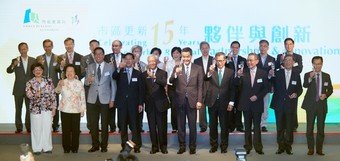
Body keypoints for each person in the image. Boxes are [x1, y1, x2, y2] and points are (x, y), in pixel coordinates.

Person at [169, 47, 203, 155]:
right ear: (181, 57)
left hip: (193, 101)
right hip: (180, 100)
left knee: (192, 126)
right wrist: (175, 74)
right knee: (180, 125)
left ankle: (192, 147)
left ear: (191, 56)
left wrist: (199, 100)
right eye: (184, 56)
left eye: (187, 56)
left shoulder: (198, 68)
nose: (186, 58)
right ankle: (182, 146)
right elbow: (170, 81)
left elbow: (200, 86)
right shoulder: (177, 67)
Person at [235, 53, 268, 155]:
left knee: (257, 127)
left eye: (251, 60)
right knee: (247, 127)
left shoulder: (263, 73)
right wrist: (238, 76)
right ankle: (248, 146)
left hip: (257, 104)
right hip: (246, 104)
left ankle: (258, 147)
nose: (249, 62)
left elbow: (266, 88)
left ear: (257, 61)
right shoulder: (242, 72)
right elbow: (236, 86)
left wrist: (257, 96)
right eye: (248, 60)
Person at [85, 47, 116, 153]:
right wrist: (88, 81)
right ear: (94, 55)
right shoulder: (90, 66)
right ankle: (95, 145)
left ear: (103, 55)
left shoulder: (110, 67)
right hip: (92, 99)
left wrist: (112, 99)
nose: (98, 56)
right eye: (96, 54)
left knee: (104, 124)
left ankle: (104, 146)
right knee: (93, 124)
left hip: (105, 99)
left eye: (100, 54)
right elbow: (85, 83)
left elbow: (113, 85)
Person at [270, 55, 302, 155]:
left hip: (290, 105)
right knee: (279, 127)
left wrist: (296, 94)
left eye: (290, 60)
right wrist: (270, 76)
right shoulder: (278, 73)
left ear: (293, 62)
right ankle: (280, 146)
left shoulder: (296, 74)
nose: (288, 62)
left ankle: (288, 146)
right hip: (278, 104)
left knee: (289, 127)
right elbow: (270, 83)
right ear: (283, 62)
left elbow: (299, 89)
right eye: (286, 60)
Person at [301, 56, 333, 156]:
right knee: (309, 129)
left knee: (321, 128)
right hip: (310, 105)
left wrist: (326, 95)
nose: (317, 66)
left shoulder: (326, 76)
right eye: (315, 64)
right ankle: (310, 149)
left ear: (322, 64)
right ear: (312, 64)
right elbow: (305, 85)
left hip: (321, 106)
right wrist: (310, 77)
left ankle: (319, 149)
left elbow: (330, 89)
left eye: (319, 63)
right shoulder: (308, 74)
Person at [204, 52, 235, 153]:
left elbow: (232, 88)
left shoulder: (230, 72)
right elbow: (205, 79)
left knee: (224, 126)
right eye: (217, 61)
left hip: (225, 103)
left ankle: (224, 146)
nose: (219, 63)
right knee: (212, 126)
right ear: (215, 61)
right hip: (212, 102)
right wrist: (209, 72)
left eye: (221, 60)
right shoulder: (212, 70)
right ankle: (213, 145)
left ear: (225, 61)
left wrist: (231, 102)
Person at [112, 53, 143, 153]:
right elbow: (114, 76)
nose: (128, 61)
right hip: (122, 104)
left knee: (135, 127)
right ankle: (125, 147)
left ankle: (136, 146)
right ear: (124, 61)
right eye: (126, 59)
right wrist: (118, 68)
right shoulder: (120, 72)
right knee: (123, 127)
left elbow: (141, 91)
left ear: (133, 60)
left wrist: (140, 104)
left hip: (134, 104)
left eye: (130, 59)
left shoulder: (138, 73)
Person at [25, 63, 57, 155]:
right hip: (35, 109)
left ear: (42, 70)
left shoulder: (48, 80)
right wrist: (35, 95)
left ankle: (47, 148)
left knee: (47, 128)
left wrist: (54, 108)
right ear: (33, 72)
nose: (38, 71)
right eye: (36, 70)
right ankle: (37, 149)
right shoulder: (30, 82)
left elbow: (53, 95)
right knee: (36, 128)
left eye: (39, 69)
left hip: (47, 108)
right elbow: (28, 95)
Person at [55, 64, 86, 153]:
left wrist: (82, 109)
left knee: (76, 130)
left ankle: (75, 148)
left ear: (75, 72)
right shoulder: (62, 81)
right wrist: (59, 85)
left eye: (71, 71)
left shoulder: (79, 83)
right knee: (65, 130)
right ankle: (66, 148)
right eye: (67, 71)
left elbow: (82, 97)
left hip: (76, 109)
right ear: (65, 73)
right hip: (65, 109)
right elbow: (56, 91)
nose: (69, 73)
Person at [141, 55, 169, 154]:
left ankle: (163, 146)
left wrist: (154, 77)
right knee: (152, 127)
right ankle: (154, 146)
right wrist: (142, 103)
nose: (152, 63)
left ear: (156, 61)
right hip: (150, 105)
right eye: (150, 61)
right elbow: (143, 90)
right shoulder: (144, 74)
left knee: (162, 127)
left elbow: (164, 83)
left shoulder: (163, 73)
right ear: (148, 62)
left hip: (161, 105)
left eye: (153, 61)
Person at [6, 42, 36, 133]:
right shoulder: (15, 60)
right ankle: (19, 127)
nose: (23, 50)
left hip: (30, 89)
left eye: (25, 48)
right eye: (22, 49)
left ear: (27, 49)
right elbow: (9, 71)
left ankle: (29, 126)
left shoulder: (33, 60)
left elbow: (36, 72)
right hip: (18, 88)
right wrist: (13, 65)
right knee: (18, 109)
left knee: (29, 109)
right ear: (19, 50)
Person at [275, 38, 303, 132]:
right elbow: (277, 70)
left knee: (293, 108)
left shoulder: (298, 56)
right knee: (281, 110)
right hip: (282, 86)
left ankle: (293, 125)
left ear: (293, 45)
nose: (288, 46)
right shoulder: (280, 56)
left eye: (290, 44)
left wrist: (288, 68)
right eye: (286, 44)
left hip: (293, 85)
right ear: (284, 45)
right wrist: (282, 63)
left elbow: (299, 70)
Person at [36, 39, 61, 132]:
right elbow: (36, 70)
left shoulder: (57, 58)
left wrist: (61, 66)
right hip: (42, 86)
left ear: (52, 46)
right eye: (45, 46)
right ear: (43, 47)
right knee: (43, 105)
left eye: (49, 46)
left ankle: (55, 125)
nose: (47, 48)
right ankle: (44, 124)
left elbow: (59, 70)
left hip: (54, 86)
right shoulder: (39, 58)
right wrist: (40, 64)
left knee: (55, 105)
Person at [225, 41, 247, 132]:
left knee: (239, 106)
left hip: (239, 86)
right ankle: (230, 125)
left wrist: (241, 74)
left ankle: (239, 125)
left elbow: (246, 72)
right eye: (233, 47)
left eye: (236, 47)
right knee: (230, 106)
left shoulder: (243, 60)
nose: (235, 49)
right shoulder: (225, 59)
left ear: (239, 48)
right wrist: (227, 61)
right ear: (230, 48)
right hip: (228, 86)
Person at [104, 40, 124, 133]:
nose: (114, 47)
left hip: (122, 85)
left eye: (116, 46)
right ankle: (112, 126)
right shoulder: (107, 57)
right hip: (110, 84)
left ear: (121, 47)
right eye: (113, 46)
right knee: (111, 106)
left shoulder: (125, 57)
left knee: (121, 107)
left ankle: (121, 126)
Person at [194, 41, 214, 133]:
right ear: (200, 49)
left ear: (209, 48)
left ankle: (213, 124)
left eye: (206, 48)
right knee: (201, 108)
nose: (205, 50)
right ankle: (203, 125)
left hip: (212, 86)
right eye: (203, 48)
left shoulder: (214, 59)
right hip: (201, 86)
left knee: (211, 107)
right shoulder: (196, 61)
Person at [256, 40, 276, 132]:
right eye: (261, 46)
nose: (263, 48)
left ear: (268, 48)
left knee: (265, 106)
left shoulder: (272, 59)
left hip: (267, 86)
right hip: (255, 86)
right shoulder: (254, 57)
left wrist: (272, 84)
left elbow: (273, 75)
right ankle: (256, 123)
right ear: (259, 47)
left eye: (265, 46)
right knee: (255, 105)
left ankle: (263, 124)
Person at [80, 39, 99, 132]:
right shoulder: (85, 58)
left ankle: (97, 126)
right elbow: (82, 72)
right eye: (93, 46)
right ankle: (90, 126)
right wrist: (88, 69)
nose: (94, 47)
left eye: (96, 46)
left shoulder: (103, 57)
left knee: (99, 107)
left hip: (100, 87)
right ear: (90, 47)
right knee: (90, 107)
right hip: (89, 86)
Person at [164, 47, 182, 133]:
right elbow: (166, 74)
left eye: (177, 53)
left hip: (182, 86)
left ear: (180, 54)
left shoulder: (184, 62)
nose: (176, 54)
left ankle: (181, 125)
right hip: (171, 86)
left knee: (181, 107)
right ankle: (174, 126)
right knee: (174, 107)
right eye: (174, 53)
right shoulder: (169, 63)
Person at [131, 45, 147, 133]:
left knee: (140, 109)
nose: (137, 53)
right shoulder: (129, 65)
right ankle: (132, 126)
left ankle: (139, 126)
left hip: (141, 91)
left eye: (138, 51)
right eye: (135, 51)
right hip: (130, 91)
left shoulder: (144, 65)